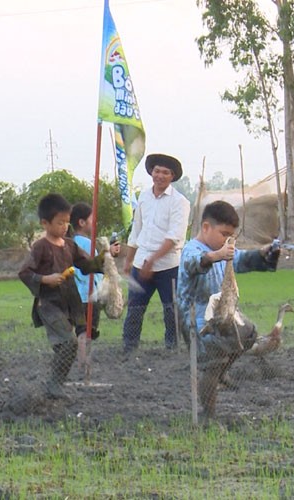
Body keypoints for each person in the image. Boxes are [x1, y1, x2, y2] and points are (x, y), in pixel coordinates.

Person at [176, 200, 280, 416]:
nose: (228, 240)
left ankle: (222, 372)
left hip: (222, 315)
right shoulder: (191, 249)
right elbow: (196, 262)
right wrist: (217, 255)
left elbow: (242, 259)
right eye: (224, 234)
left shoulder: (223, 251)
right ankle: (208, 414)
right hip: (197, 320)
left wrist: (263, 253)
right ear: (206, 227)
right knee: (212, 365)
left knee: (249, 334)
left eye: (230, 235)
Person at [18, 194, 105, 399]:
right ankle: (54, 385)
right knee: (69, 343)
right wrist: (45, 279)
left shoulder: (69, 245)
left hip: (71, 302)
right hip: (49, 304)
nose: (65, 227)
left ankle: (54, 386)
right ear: (45, 223)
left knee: (67, 345)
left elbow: (87, 265)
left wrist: (105, 258)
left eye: (67, 222)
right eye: (60, 223)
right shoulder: (40, 247)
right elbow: (24, 273)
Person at [122, 153, 190, 354]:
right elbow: (137, 230)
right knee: (134, 308)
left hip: (168, 266)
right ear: (151, 172)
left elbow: (174, 237)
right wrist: (128, 260)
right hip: (140, 263)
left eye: (165, 172)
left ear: (172, 176)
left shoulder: (180, 202)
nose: (160, 175)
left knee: (171, 310)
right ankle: (129, 348)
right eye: (157, 171)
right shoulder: (143, 196)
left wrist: (152, 261)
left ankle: (172, 348)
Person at [68, 202, 120, 341]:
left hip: (75, 297)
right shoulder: (88, 245)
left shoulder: (71, 243)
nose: (94, 222)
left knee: (78, 331)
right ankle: (84, 360)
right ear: (82, 222)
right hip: (88, 296)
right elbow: (96, 266)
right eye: (92, 219)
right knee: (87, 333)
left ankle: (78, 357)